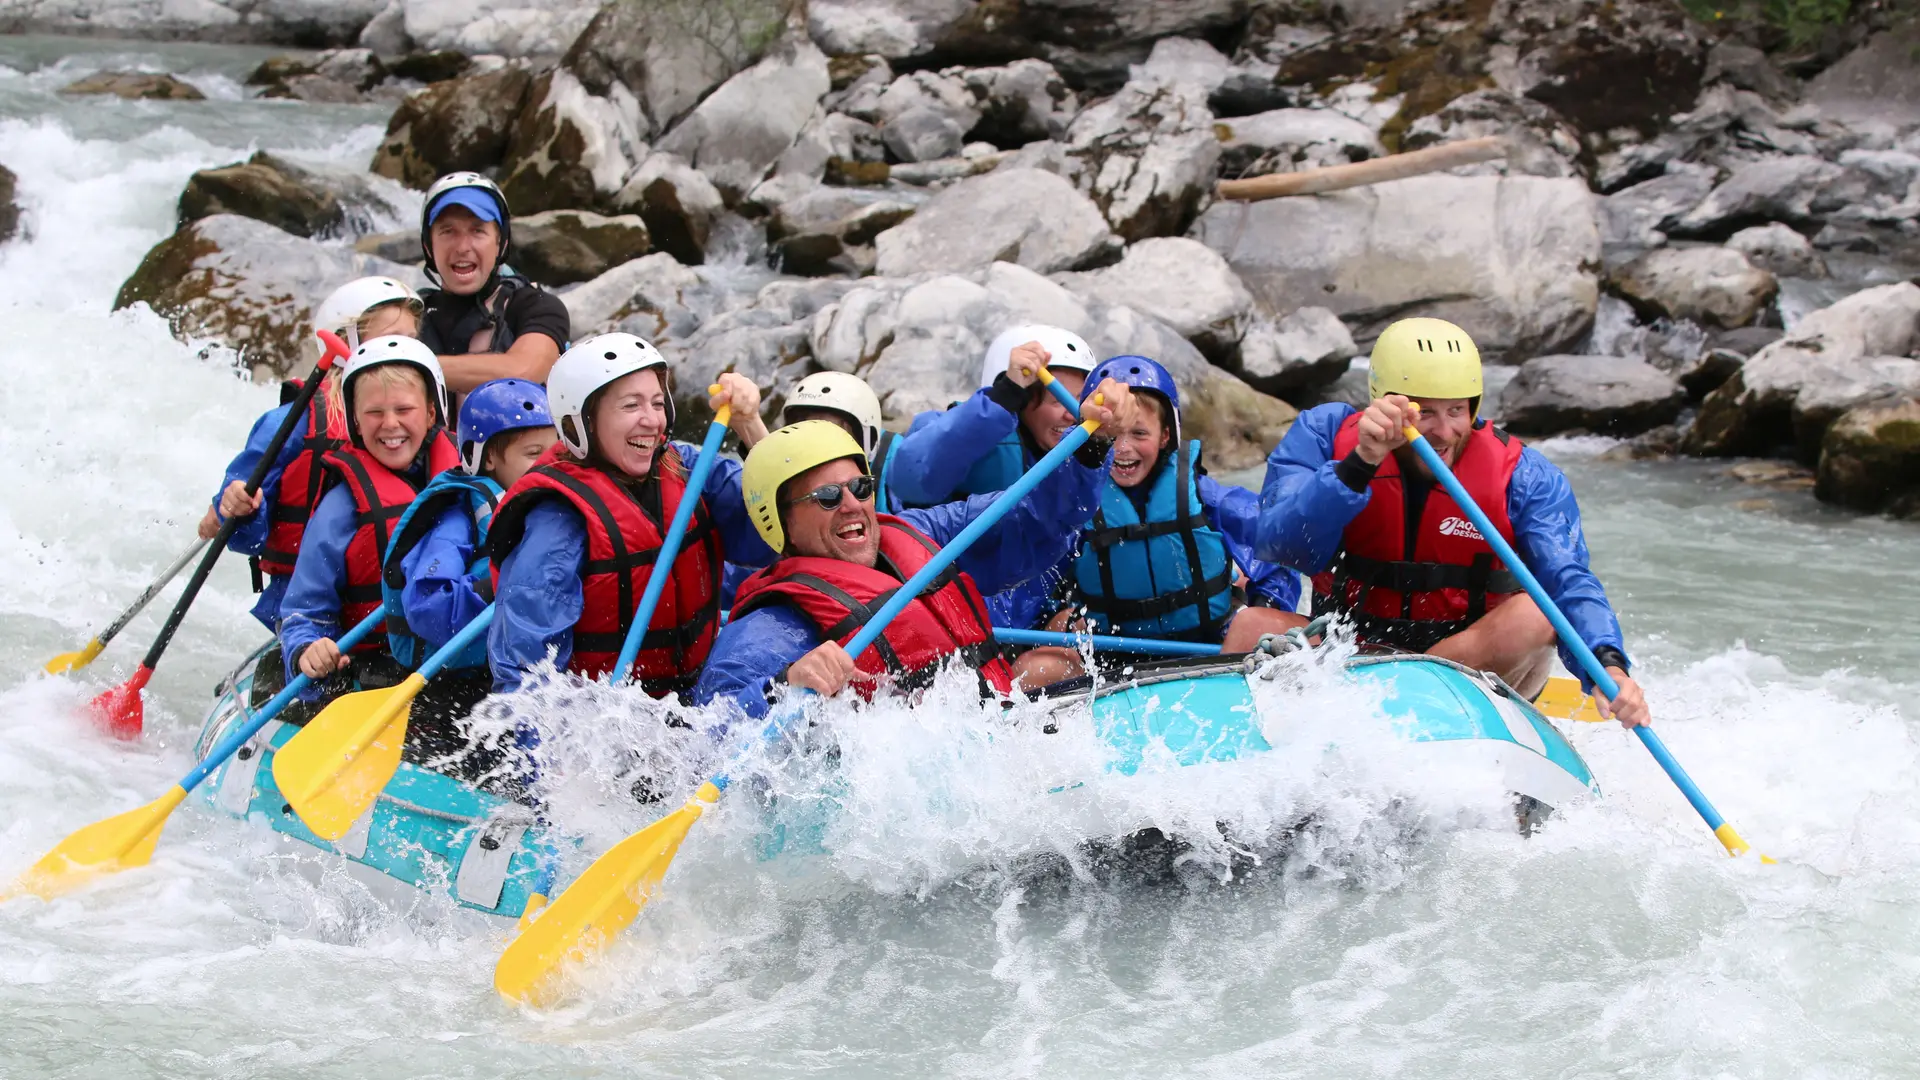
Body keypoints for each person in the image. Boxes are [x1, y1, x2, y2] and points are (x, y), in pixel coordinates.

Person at [1255, 317, 1650, 728]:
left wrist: (1608, 665)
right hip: (1347, 651)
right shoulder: (1325, 436)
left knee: (1534, 615)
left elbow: (1567, 581)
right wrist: (1359, 465)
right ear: (1385, 402)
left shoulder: (1523, 476)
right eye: (1424, 412)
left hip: (1465, 663)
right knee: (1253, 624)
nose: (1444, 431)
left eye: (1457, 410)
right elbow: (1280, 545)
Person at [692, 375, 1139, 721]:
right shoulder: (774, 625)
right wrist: (782, 685)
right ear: (782, 521)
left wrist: (1093, 444)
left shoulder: (925, 531)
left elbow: (1039, 516)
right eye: (828, 497)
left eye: (860, 486)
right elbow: (710, 731)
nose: (851, 505)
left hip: (998, 743)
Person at [485, 333, 775, 698]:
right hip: (611, 720)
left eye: (657, 403)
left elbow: (781, 527)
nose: (652, 421)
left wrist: (750, 426)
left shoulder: (685, 466)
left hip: (699, 692)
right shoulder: (557, 518)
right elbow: (527, 675)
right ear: (583, 422)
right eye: (630, 406)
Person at [1009, 355, 1307, 686]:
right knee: (1031, 668)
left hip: (1211, 647)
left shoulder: (1206, 496)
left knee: (1256, 621)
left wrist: (1264, 603)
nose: (1123, 448)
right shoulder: (1076, 509)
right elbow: (1028, 578)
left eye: (1139, 433)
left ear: (1166, 436)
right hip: (1114, 655)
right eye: (1113, 435)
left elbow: (1277, 551)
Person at [201, 276, 423, 631]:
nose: (403, 352)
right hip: (303, 605)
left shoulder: (420, 414)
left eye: (411, 341)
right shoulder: (291, 424)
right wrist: (234, 505)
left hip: (391, 598)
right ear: (346, 340)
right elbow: (240, 522)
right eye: (389, 340)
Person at [278, 336, 462, 693]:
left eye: (404, 410)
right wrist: (307, 649)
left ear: (430, 412)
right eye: (375, 413)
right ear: (356, 423)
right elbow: (304, 612)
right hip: (378, 673)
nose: (390, 424)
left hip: (462, 662)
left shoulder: (473, 478)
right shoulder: (341, 508)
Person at [884, 324, 1098, 507]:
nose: (1072, 414)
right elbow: (910, 480)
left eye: (1080, 399)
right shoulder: (957, 437)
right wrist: (1003, 398)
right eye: (1058, 400)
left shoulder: (1092, 453)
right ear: (1019, 400)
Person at [415, 172, 570, 391]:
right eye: (448, 231)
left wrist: (409, 367)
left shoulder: (537, 306)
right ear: (428, 246)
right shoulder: (409, 314)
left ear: (501, 243)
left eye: (478, 231)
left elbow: (524, 370)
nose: (462, 247)